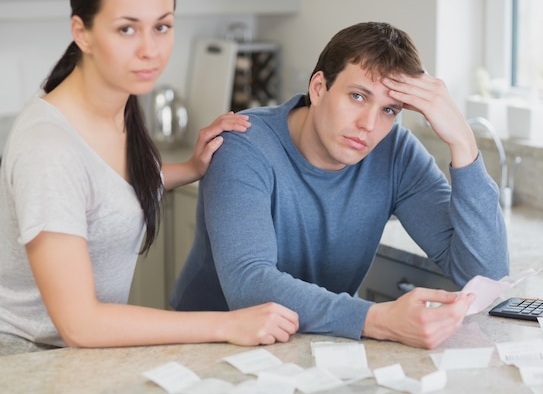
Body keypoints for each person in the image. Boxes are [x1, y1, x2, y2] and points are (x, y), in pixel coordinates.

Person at [0, 0, 298, 356]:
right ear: (82, 32)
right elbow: (80, 324)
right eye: (127, 28)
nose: (150, 49)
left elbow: (105, 188)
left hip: (78, 352)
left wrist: (190, 167)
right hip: (25, 357)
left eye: (162, 26)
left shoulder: (115, 99)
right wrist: (225, 323)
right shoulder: (48, 150)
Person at [171, 21, 509, 349]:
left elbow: (486, 275)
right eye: (358, 97)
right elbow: (249, 284)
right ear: (319, 88)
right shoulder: (243, 145)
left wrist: (464, 143)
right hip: (214, 347)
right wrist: (378, 319)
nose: (368, 125)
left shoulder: (397, 154)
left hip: (322, 343)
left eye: (389, 109)